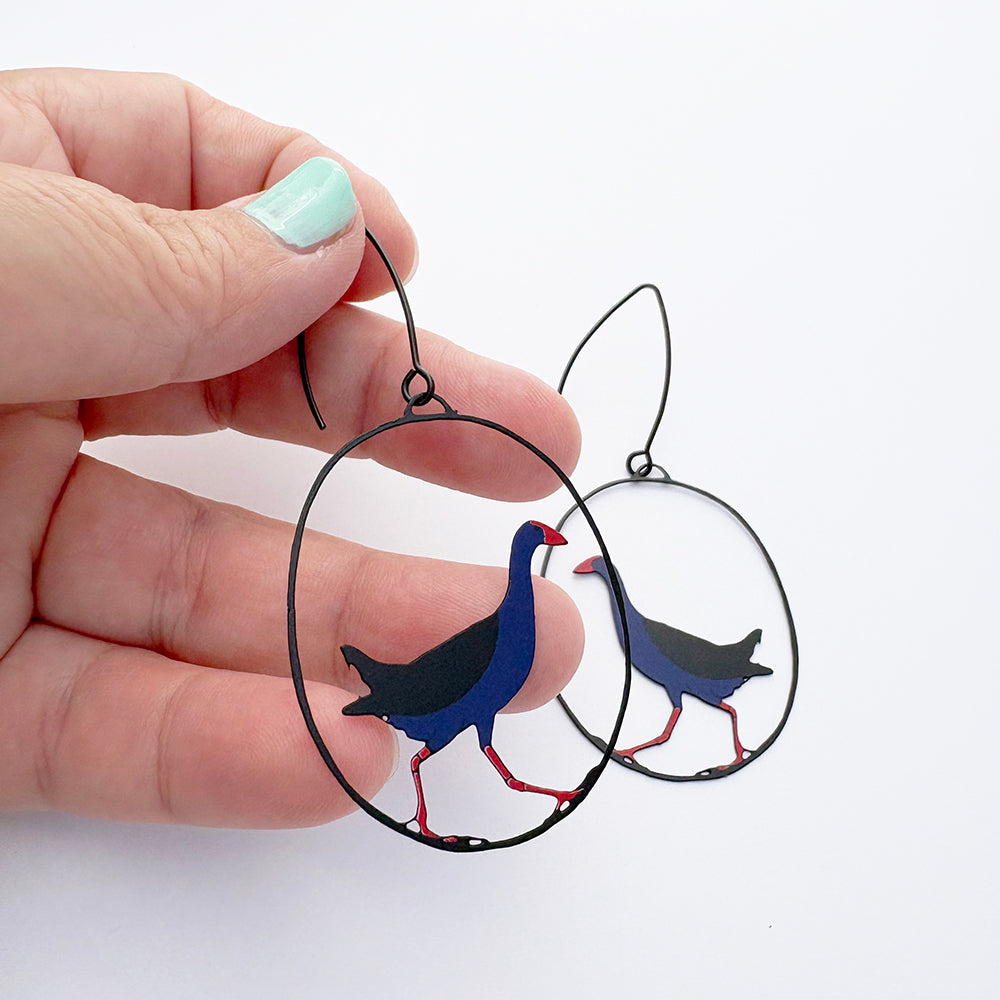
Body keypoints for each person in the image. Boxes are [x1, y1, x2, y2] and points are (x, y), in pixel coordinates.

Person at [0, 68, 583, 828]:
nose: (547, 541)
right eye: (540, 538)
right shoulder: (497, 640)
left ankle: (474, 800)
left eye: (541, 539)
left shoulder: (503, 637)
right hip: (423, 689)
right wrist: (208, 269)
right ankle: (434, 809)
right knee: (439, 735)